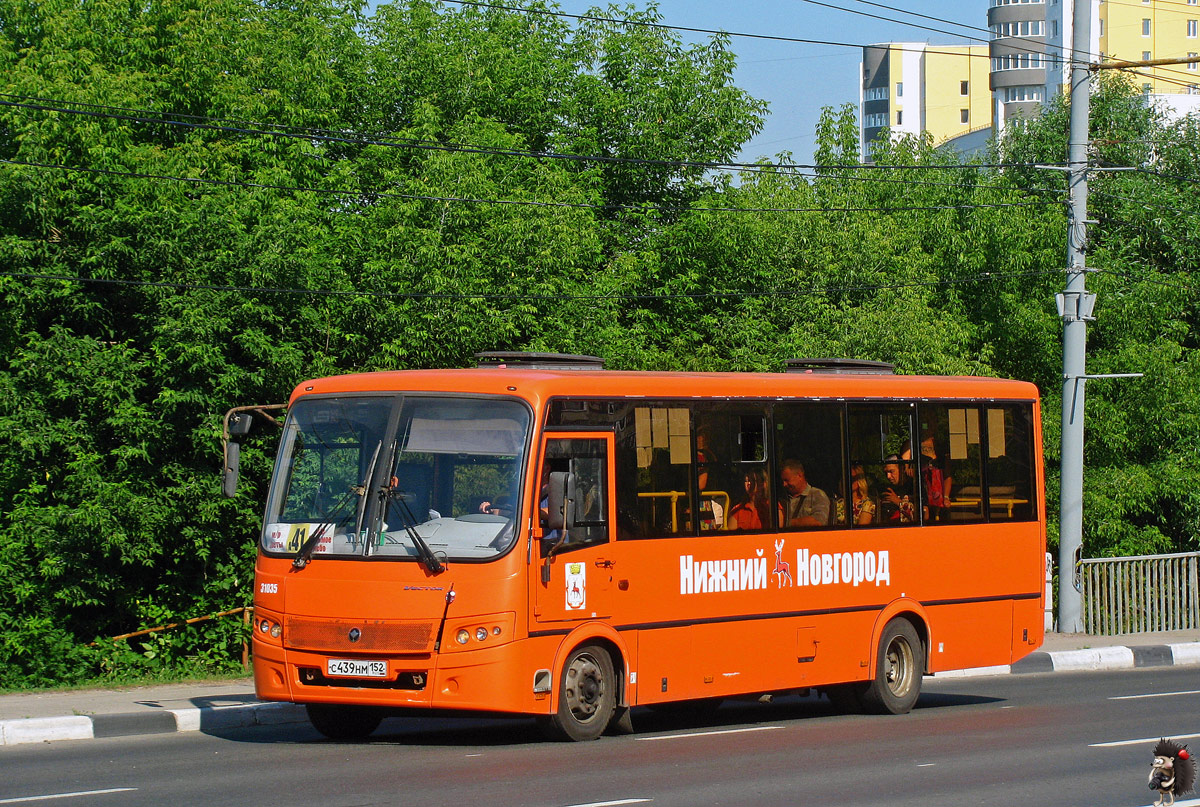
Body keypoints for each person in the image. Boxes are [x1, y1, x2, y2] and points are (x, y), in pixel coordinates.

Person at [779, 459, 830, 528]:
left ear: (799, 475)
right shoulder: (782, 499)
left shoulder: (817, 495)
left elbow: (819, 521)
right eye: (783, 481)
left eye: (787, 480)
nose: (784, 484)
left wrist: (785, 523)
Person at [879, 455, 915, 524]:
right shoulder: (889, 489)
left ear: (902, 469)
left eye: (891, 471)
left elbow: (924, 514)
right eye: (886, 473)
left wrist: (899, 503)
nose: (888, 476)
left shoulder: (914, 487)